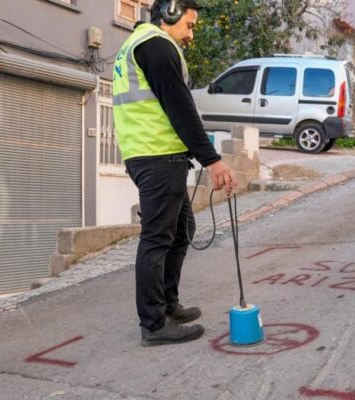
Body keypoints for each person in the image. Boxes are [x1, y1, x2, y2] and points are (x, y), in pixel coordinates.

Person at [112, 0, 236, 346]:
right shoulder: (156, 47)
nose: (191, 34)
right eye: (189, 25)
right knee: (157, 237)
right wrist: (212, 160)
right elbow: (180, 107)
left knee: (183, 228)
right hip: (156, 155)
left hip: (151, 154)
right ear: (169, 14)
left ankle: (167, 305)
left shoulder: (134, 45)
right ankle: (153, 324)